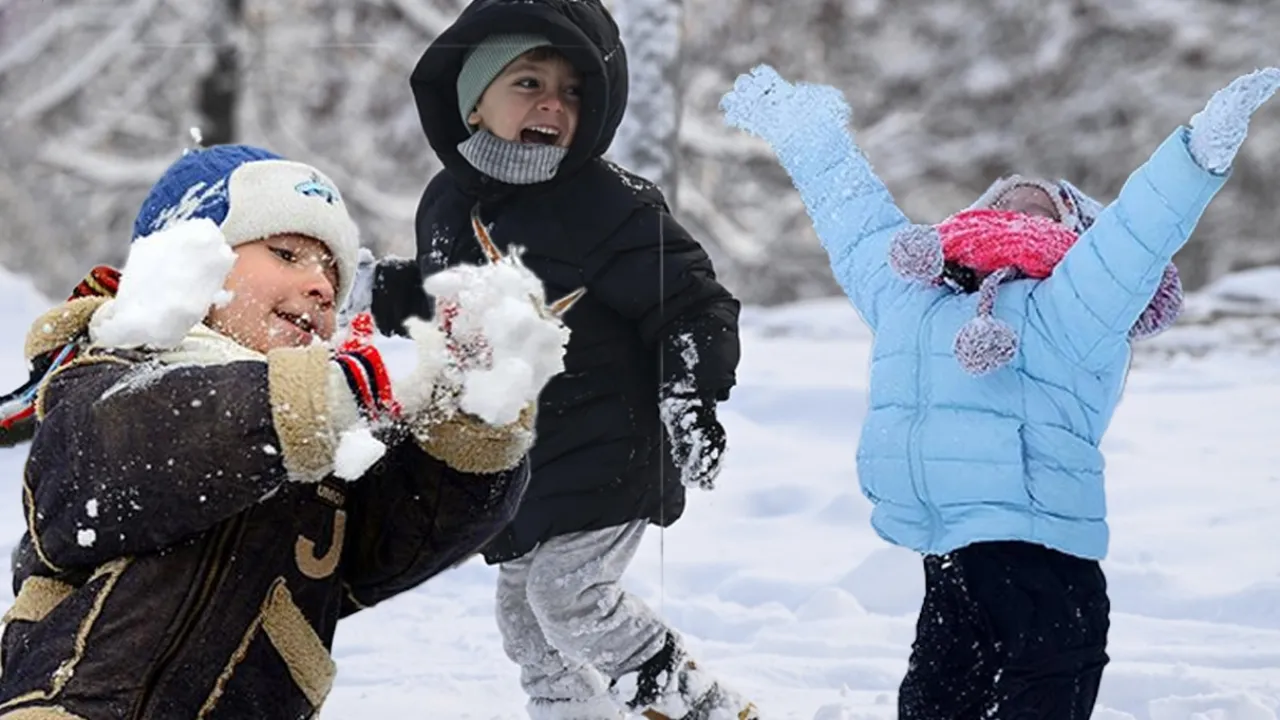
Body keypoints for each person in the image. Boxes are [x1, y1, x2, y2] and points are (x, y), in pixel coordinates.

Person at [720, 64, 1280, 719]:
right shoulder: (915, 297)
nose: (1022, 201)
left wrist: (1194, 153)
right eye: (1005, 198)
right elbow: (856, 221)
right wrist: (806, 134)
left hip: (1047, 563)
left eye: (1044, 203)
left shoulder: (1072, 304)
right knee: (934, 705)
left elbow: (1137, 234)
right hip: (952, 560)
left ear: (1076, 236)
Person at [0, 143, 566, 720]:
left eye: (333, 274)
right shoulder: (108, 375)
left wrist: (473, 411)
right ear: (188, 262)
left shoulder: (323, 452)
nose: (322, 287)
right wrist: (304, 402)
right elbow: (135, 453)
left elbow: (414, 526)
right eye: (287, 253)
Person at [345, 1, 753, 717]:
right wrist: (376, 290)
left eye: (570, 91)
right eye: (528, 82)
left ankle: (697, 705)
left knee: (569, 596)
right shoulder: (448, 202)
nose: (552, 104)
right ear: (474, 102)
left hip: (609, 448)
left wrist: (688, 396)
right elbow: (449, 301)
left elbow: (691, 302)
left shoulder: (605, 203)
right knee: (524, 620)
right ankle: (571, 711)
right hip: (519, 461)